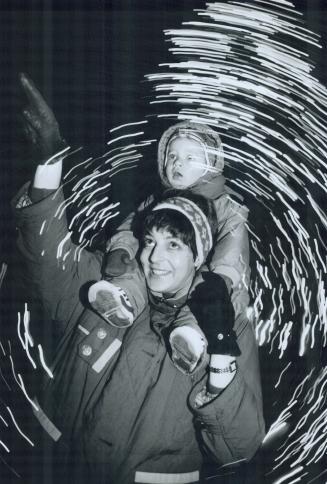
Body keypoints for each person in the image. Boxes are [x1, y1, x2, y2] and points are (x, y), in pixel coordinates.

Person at [13, 73, 265, 483]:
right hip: (54, 465)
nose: (154, 257)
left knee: (201, 307)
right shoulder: (105, 278)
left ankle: (192, 333)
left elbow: (238, 447)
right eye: (151, 239)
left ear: (200, 252)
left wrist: (219, 359)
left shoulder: (230, 320)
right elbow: (47, 260)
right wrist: (48, 165)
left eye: (175, 245)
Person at [88, 119, 250, 375]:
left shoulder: (227, 208)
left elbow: (233, 250)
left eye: (190, 158)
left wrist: (222, 281)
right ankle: (124, 298)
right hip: (165, 281)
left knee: (203, 291)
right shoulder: (157, 201)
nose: (178, 163)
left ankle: (191, 337)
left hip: (214, 284)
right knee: (145, 259)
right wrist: (121, 248)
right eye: (172, 155)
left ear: (210, 164)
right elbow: (132, 227)